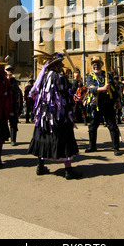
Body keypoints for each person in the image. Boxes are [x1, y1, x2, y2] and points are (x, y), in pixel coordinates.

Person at [28, 52, 80, 180]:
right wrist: (76, 80)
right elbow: (69, 92)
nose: (62, 65)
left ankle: (40, 167)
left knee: (44, 136)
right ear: (55, 66)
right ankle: (68, 170)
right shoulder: (59, 77)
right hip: (58, 115)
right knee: (63, 138)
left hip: (44, 115)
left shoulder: (43, 77)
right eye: (60, 63)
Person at [85, 56, 121, 155]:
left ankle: (116, 148)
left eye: (98, 64)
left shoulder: (108, 76)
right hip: (97, 104)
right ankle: (92, 146)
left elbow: (114, 89)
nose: (96, 66)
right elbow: (91, 89)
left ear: (102, 65)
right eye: (94, 64)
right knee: (92, 126)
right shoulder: (90, 77)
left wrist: (118, 101)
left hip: (109, 104)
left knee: (112, 126)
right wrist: (103, 88)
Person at [5, 65, 21, 146]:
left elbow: (17, 93)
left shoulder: (14, 81)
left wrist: (18, 107)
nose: (10, 72)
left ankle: (13, 140)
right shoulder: (2, 80)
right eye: (8, 70)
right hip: (4, 105)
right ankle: (3, 138)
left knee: (13, 123)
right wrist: (7, 79)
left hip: (13, 105)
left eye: (11, 70)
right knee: (3, 122)